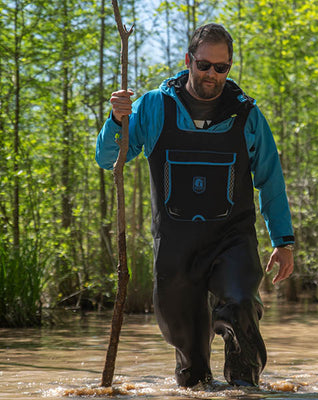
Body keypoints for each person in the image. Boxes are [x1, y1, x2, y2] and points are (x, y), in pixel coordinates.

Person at [96, 23, 294, 388]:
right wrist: (116, 120)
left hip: (232, 241)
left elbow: (270, 179)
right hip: (175, 249)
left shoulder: (247, 115)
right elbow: (110, 159)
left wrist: (283, 241)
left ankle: (246, 391)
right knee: (193, 374)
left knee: (240, 309)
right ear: (188, 61)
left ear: (229, 68)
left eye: (222, 68)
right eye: (204, 65)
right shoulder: (154, 106)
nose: (212, 75)